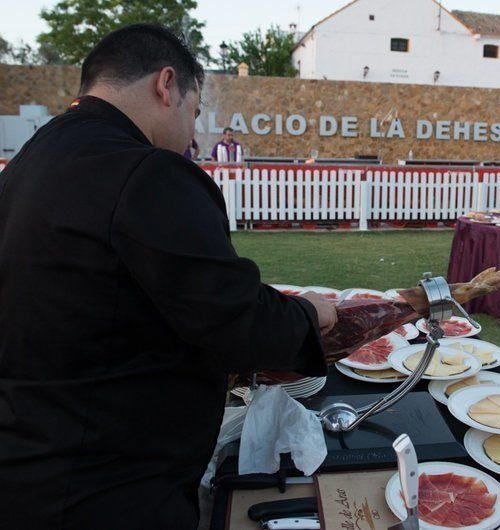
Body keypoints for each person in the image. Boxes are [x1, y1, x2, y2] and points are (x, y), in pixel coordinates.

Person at [0, 24, 337, 529]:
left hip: (29, 455)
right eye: (194, 111)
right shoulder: (146, 171)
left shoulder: (28, 162)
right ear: (166, 84)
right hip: (109, 481)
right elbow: (235, 321)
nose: (193, 133)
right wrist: (310, 312)